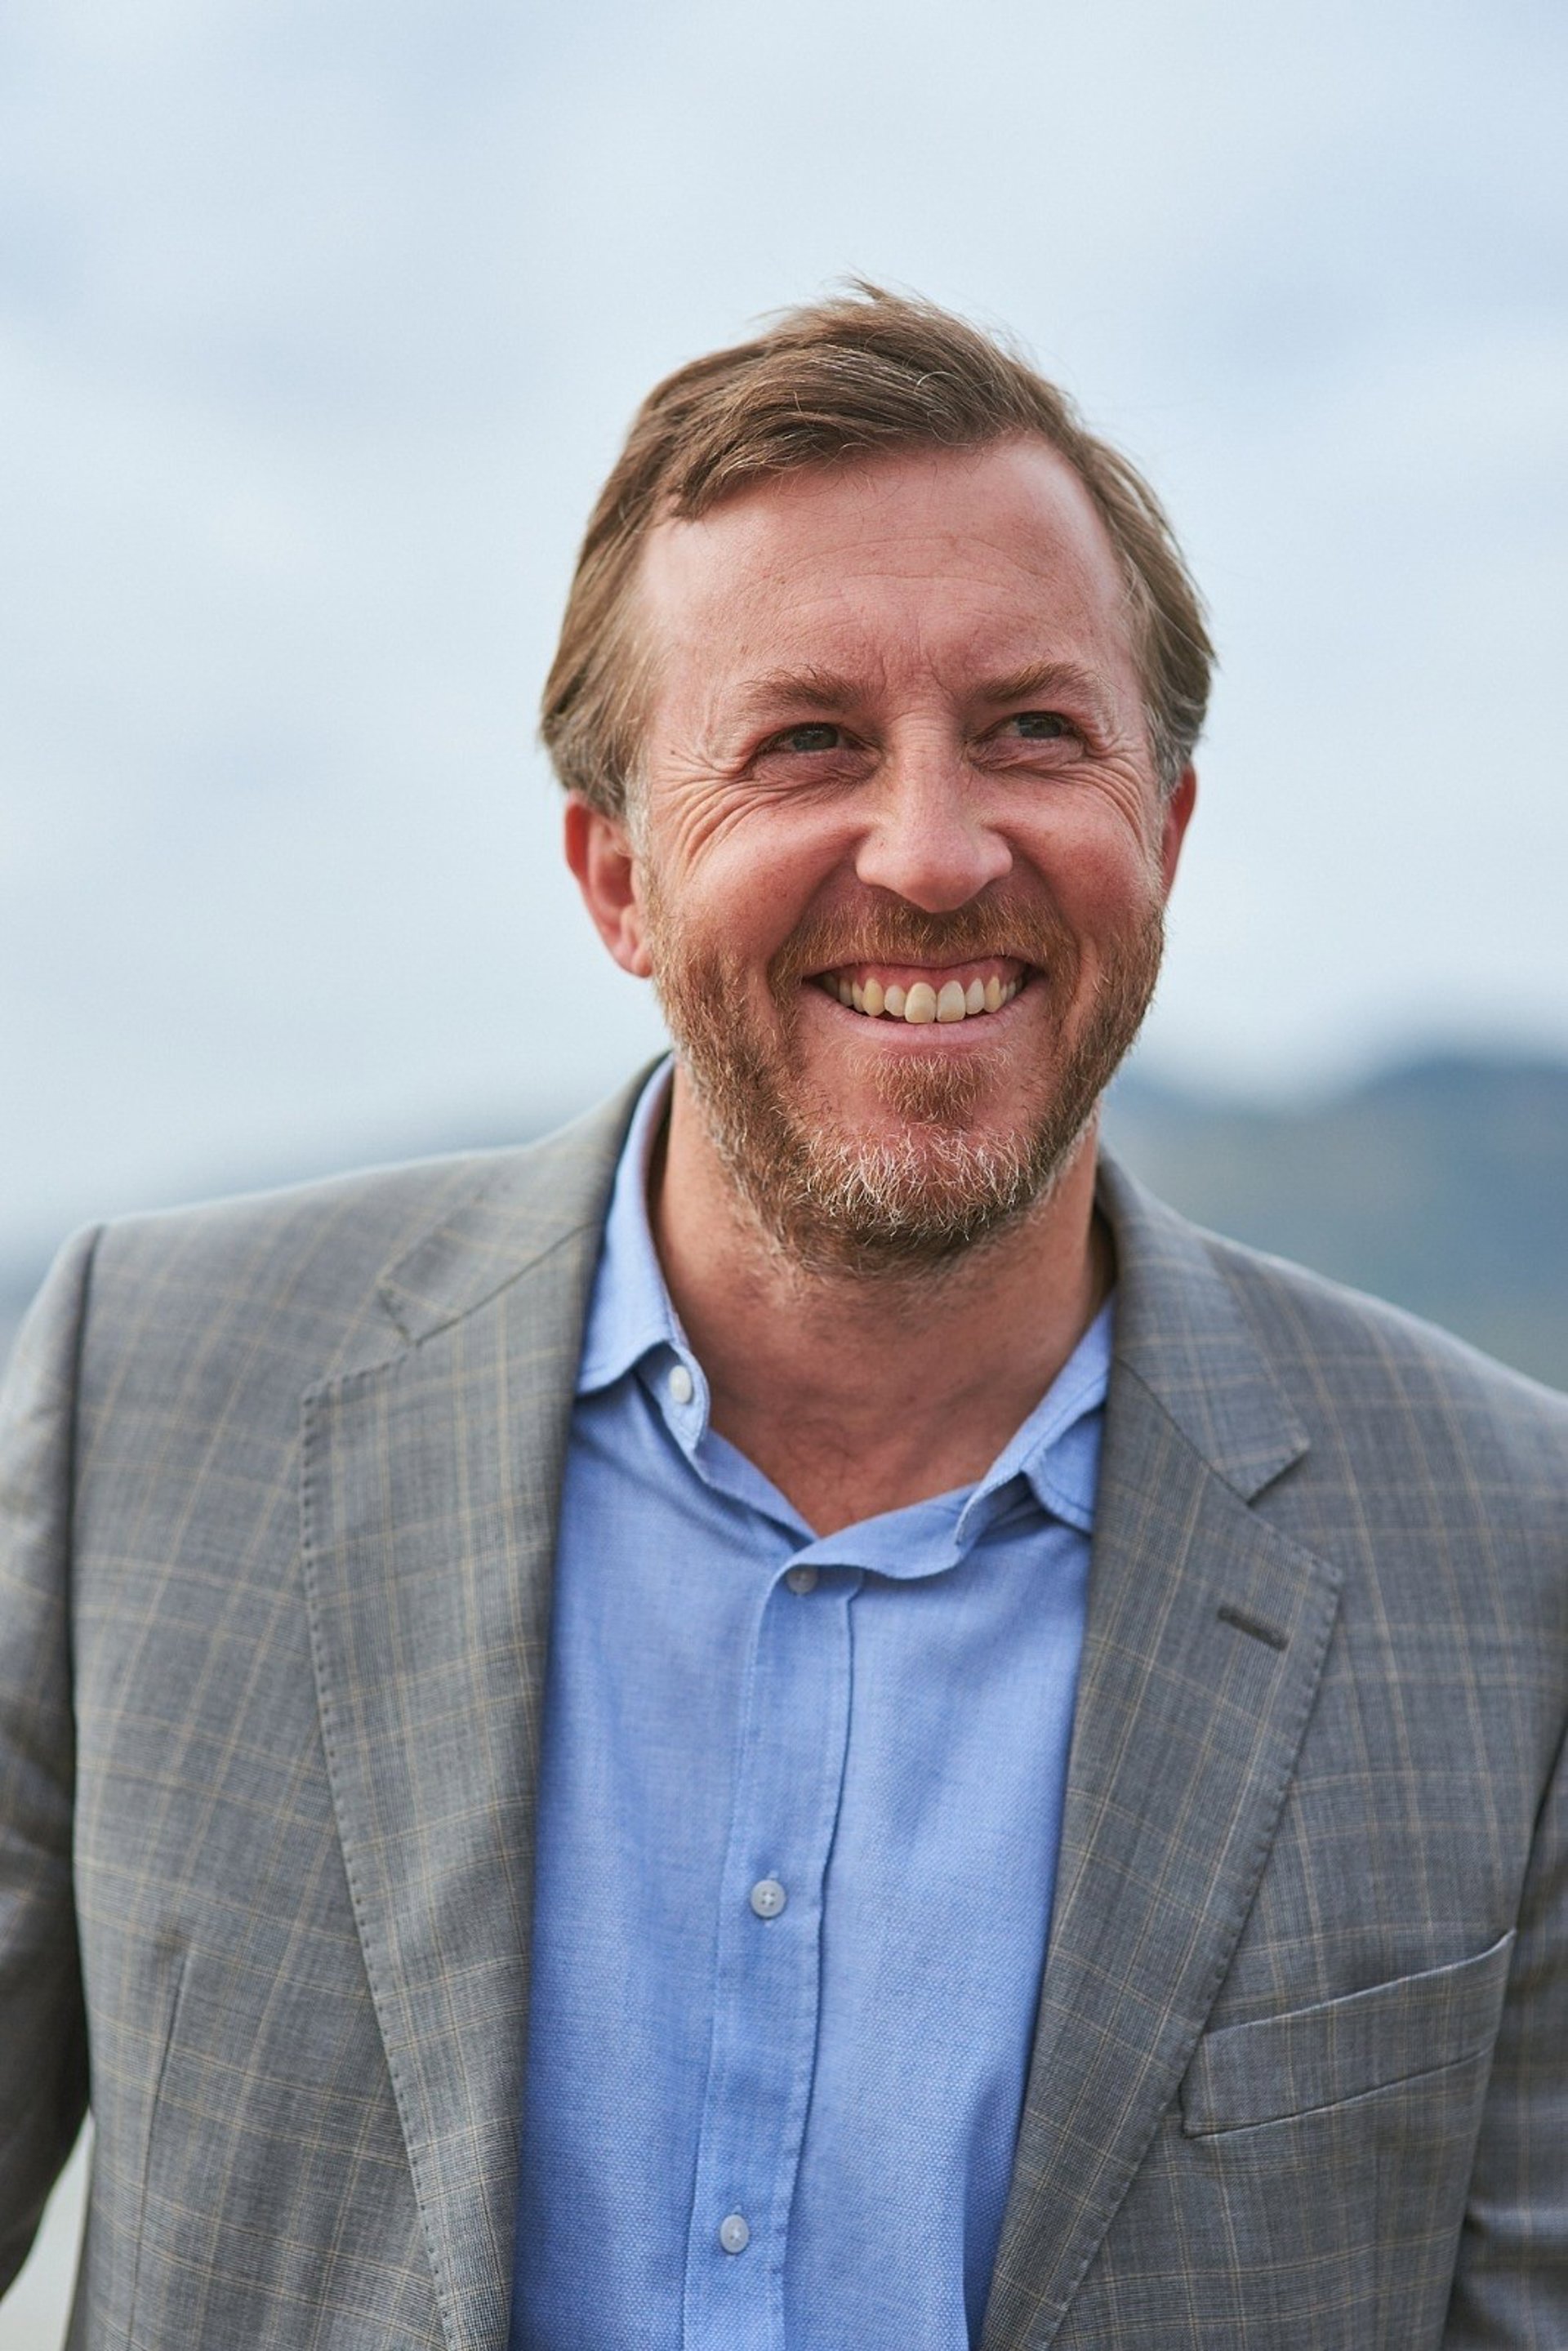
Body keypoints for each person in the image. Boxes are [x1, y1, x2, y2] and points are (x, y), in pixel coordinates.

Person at [1, 287, 1564, 2351]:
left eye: (1035, 730)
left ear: (1166, 834)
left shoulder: (1514, 1556)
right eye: (805, 741)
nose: (933, 852)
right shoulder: (152, 1393)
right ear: (617, 880)